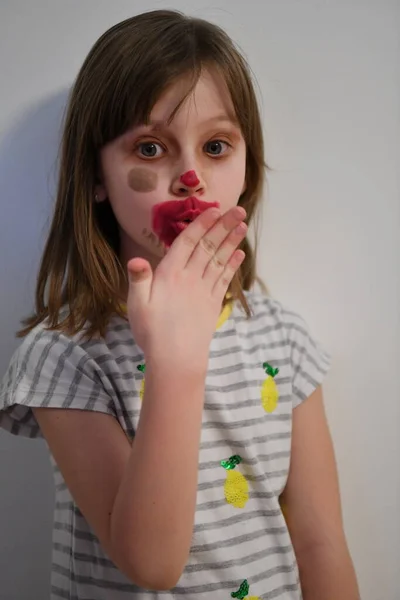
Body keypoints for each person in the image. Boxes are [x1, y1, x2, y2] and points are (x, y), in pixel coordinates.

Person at [0, 9, 360, 600]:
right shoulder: (61, 358)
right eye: (150, 147)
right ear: (97, 175)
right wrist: (175, 361)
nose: (191, 175)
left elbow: (320, 541)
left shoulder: (284, 341)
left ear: (245, 170)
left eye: (216, 146)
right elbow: (152, 564)